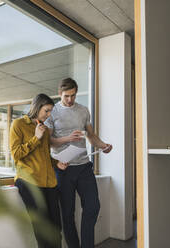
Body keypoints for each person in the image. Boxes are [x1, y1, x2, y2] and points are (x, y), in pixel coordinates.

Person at [45, 78, 113, 248]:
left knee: (93, 206)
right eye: (67, 96)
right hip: (62, 168)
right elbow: (49, 141)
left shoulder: (83, 110)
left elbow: (91, 135)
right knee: (67, 214)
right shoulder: (52, 112)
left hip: (83, 167)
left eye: (73, 95)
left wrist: (103, 145)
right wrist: (68, 138)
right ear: (60, 93)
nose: (70, 99)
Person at [9, 93, 67, 248]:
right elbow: (16, 155)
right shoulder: (18, 124)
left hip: (49, 183)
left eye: (50, 112)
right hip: (30, 181)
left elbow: (45, 156)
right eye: (46, 111)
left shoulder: (45, 128)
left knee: (56, 227)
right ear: (37, 107)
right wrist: (36, 138)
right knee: (42, 229)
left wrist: (57, 163)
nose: (48, 115)